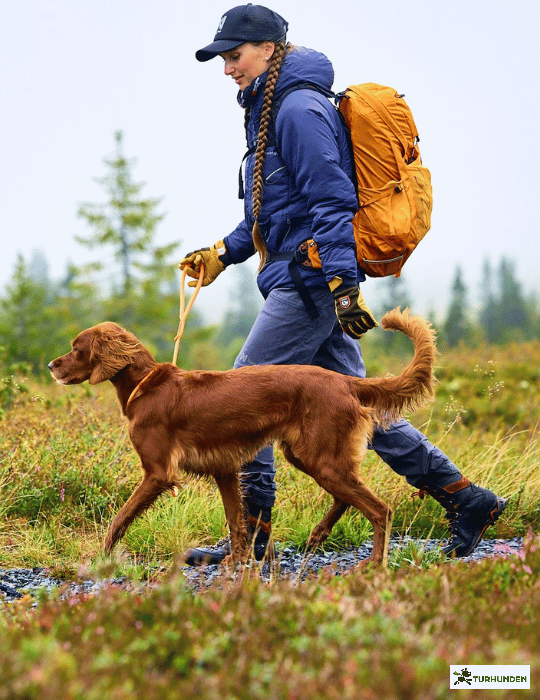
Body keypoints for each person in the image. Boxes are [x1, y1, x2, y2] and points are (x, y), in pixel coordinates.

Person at [179, 3, 506, 565]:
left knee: (242, 396)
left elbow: (332, 204)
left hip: (309, 282)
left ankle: (251, 539)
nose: (227, 68)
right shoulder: (269, 108)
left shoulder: (298, 110)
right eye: (222, 59)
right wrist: (222, 254)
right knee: (359, 406)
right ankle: (466, 497)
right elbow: (273, 211)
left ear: (268, 50)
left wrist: (342, 286)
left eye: (234, 56)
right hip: (304, 276)